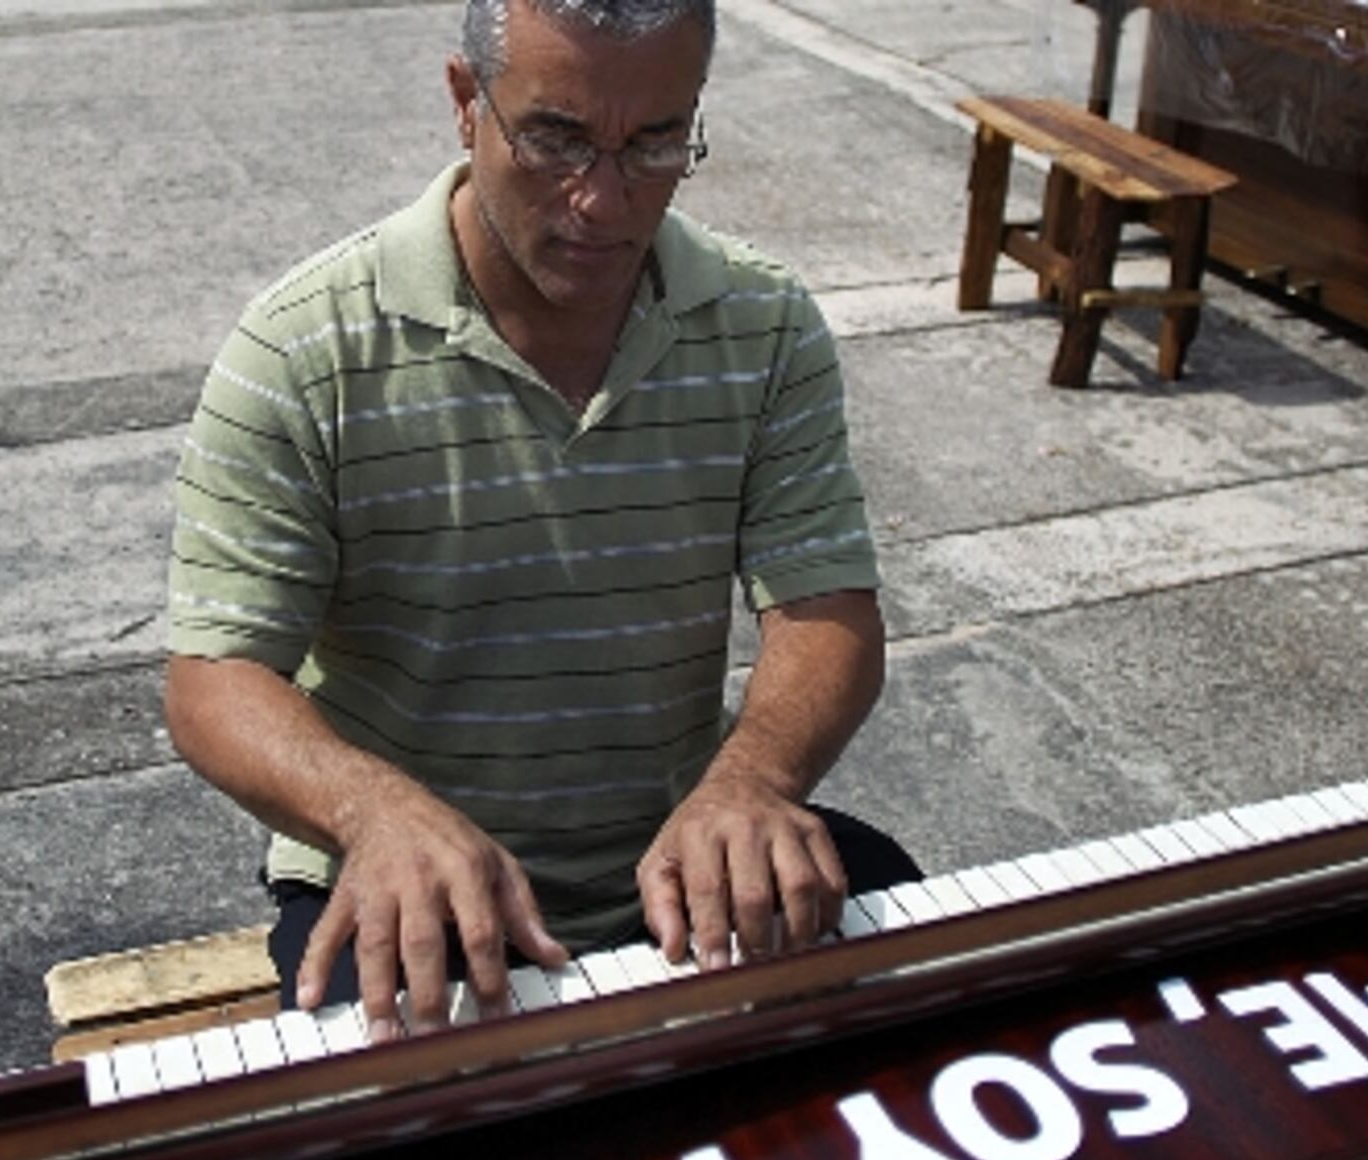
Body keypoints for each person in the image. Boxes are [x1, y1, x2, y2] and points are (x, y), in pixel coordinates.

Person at [161, 0, 917, 1042]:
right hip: (417, 888)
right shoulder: (303, 352)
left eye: (656, 143)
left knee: (918, 1037)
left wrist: (753, 778)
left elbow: (826, 603)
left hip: (683, 859)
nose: (602, 200)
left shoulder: (763, 322)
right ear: (465, 104)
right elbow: (213, 675)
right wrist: (373, 813)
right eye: (554, 137)